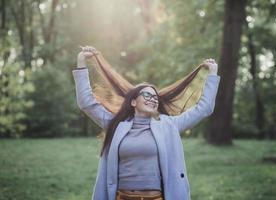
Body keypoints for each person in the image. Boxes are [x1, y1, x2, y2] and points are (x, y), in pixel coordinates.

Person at [73, 46, 220, 200]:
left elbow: (204, 109)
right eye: (147, 95)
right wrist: (81, 62)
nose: (153, 99)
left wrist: (212, 74)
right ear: (134, 101)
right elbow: (86, 103)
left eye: (155, 97)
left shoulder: (169, 125)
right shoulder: (115, 124)